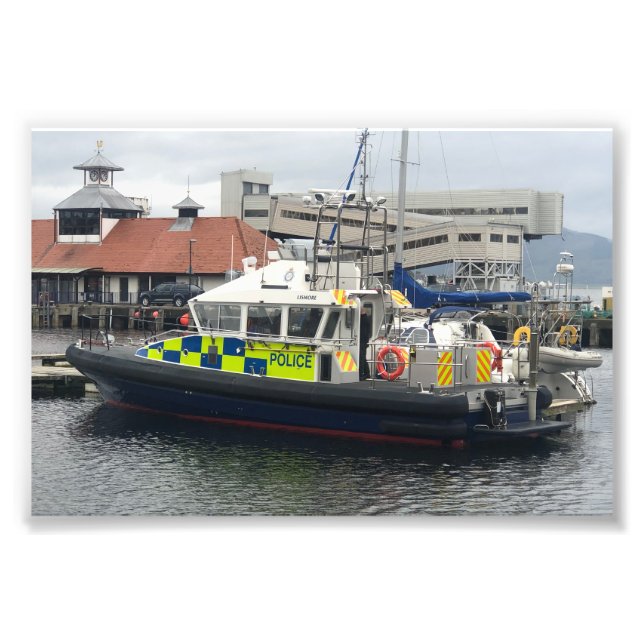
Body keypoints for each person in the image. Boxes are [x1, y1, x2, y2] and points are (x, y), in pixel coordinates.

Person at [359, 307, 371, 380]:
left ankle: (362, 374)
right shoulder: (366, 319)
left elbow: (363, 332)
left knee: (361, 358)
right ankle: (366, 373)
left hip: (362, 341)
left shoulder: (363, 319)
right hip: (364, 341)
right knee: (363, 358)